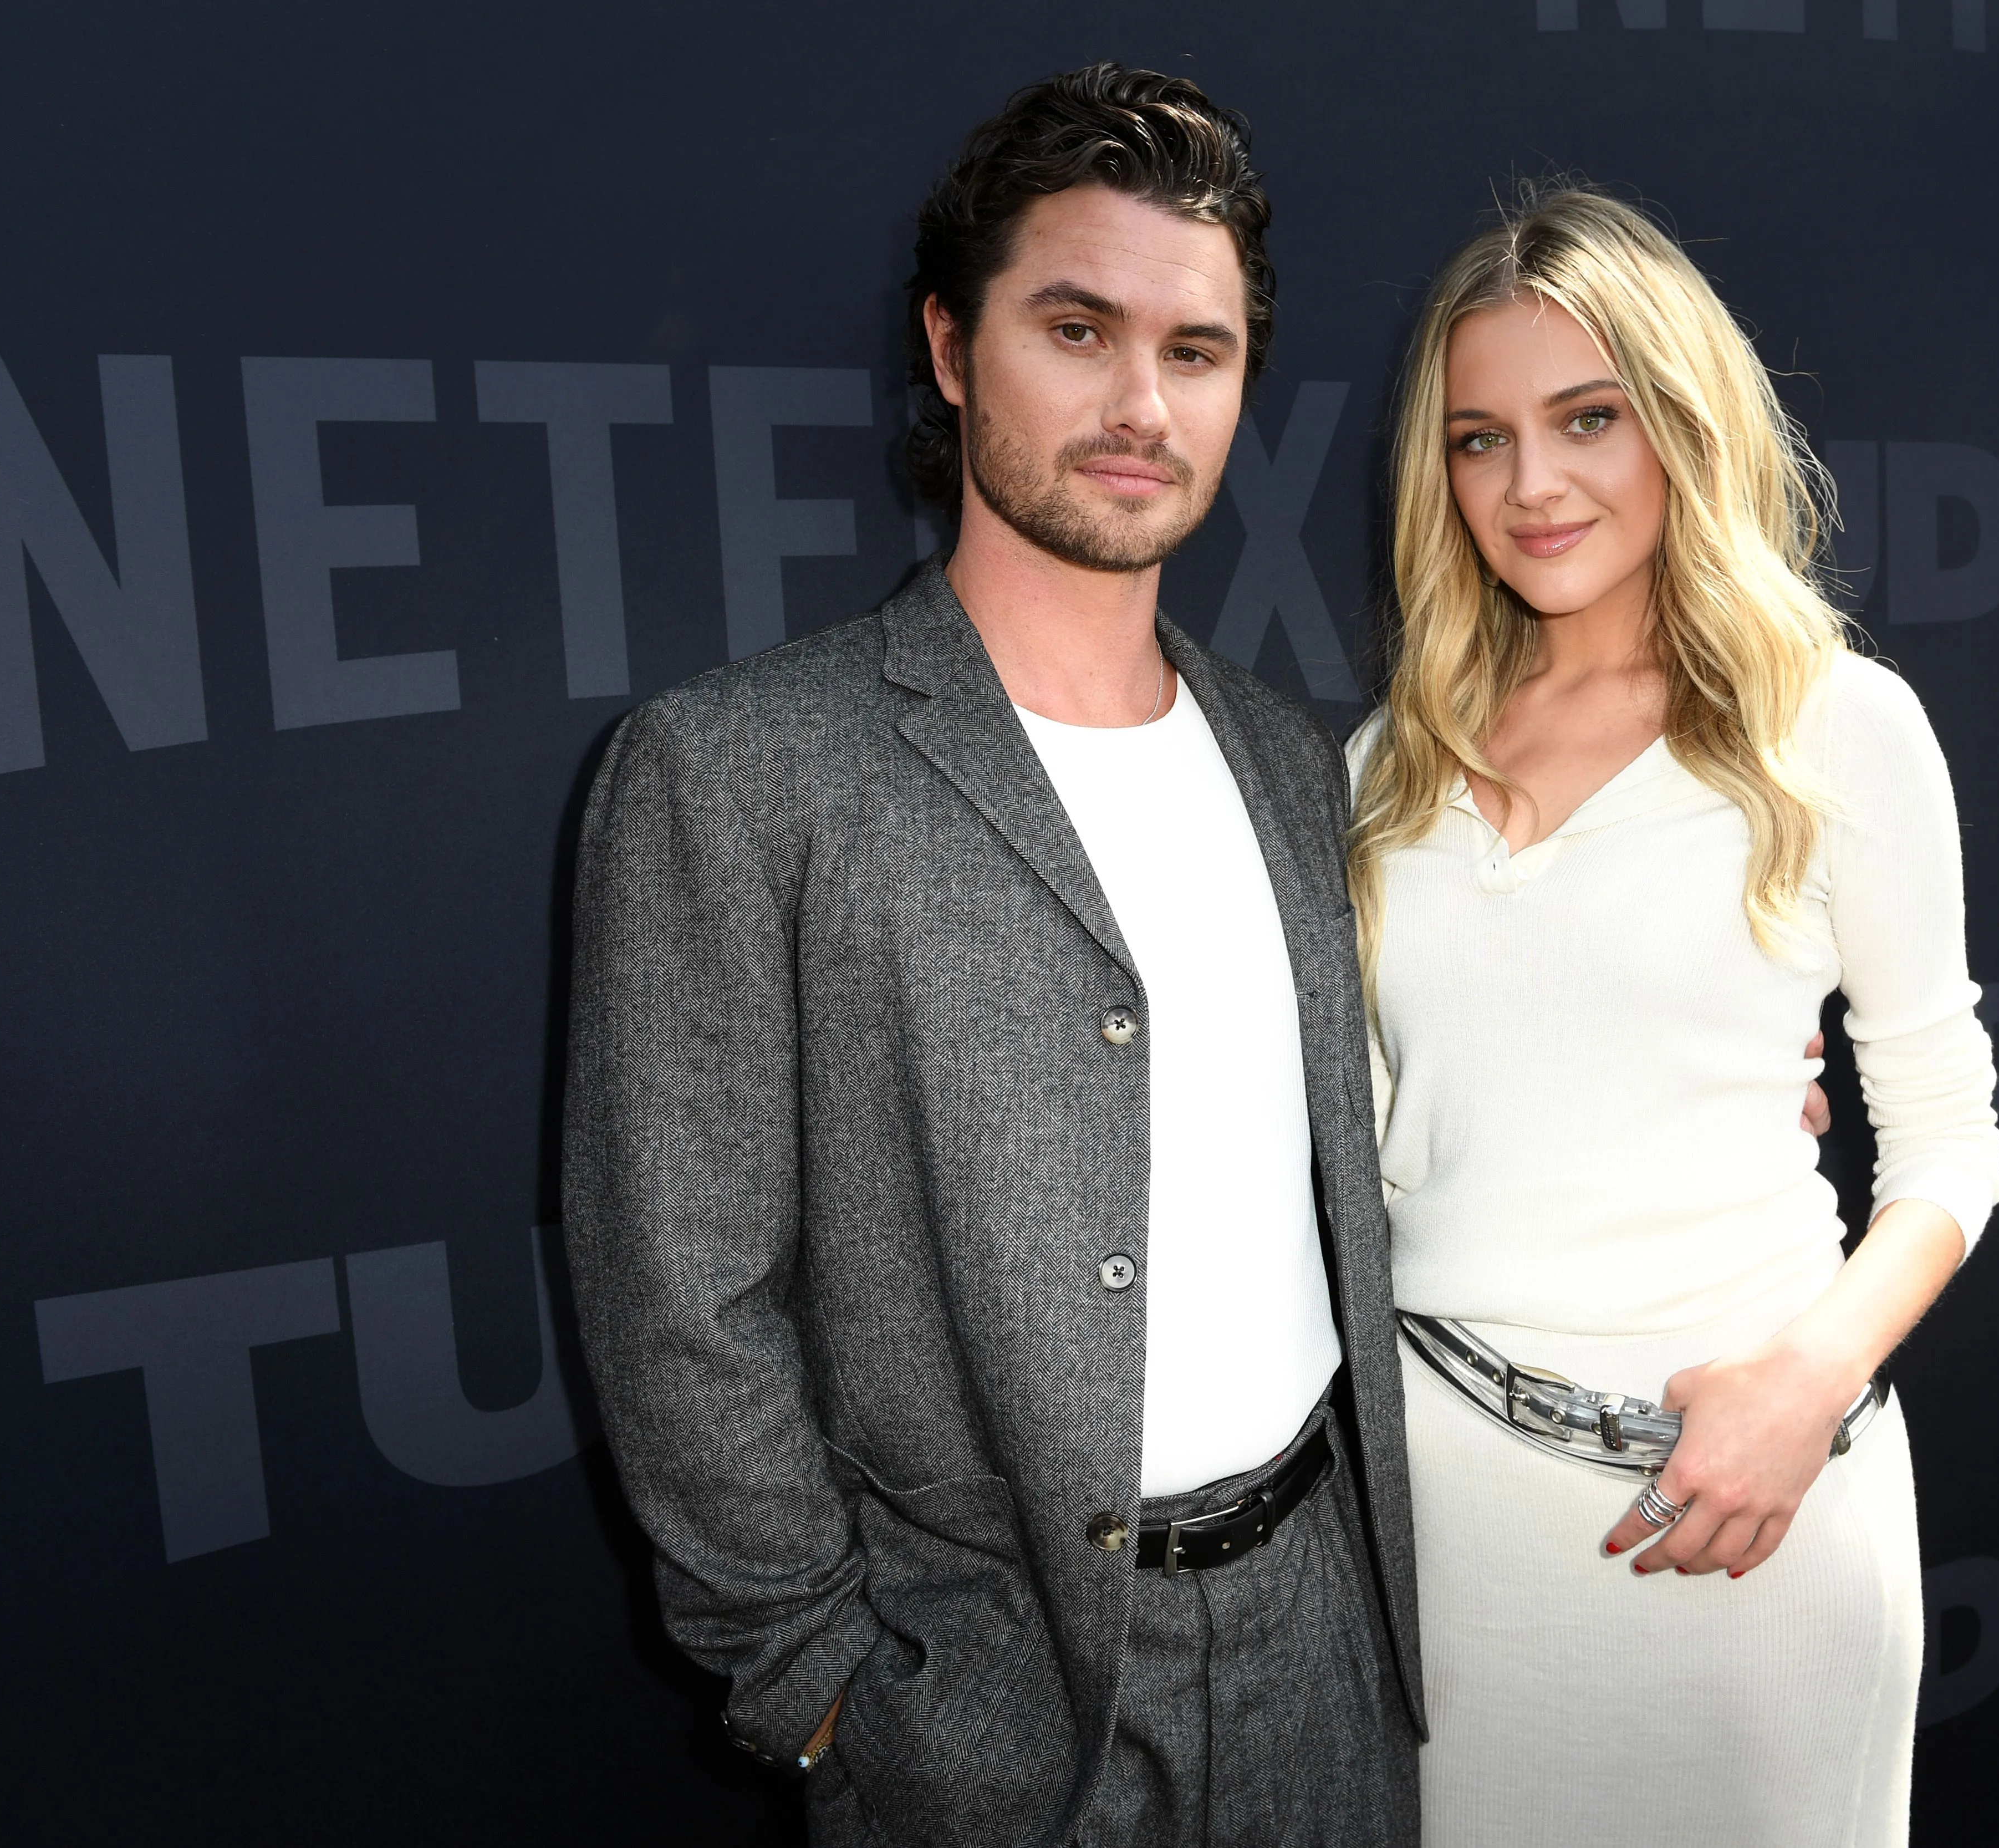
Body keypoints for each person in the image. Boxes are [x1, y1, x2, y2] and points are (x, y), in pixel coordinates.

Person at [562, 65, 1424, 1848]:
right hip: (993, 1699)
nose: (1139, 402)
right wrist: (826, 1692)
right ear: (952, 351)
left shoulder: (1288, 756)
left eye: (1196, 351)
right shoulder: (739, 769)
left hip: (1326, 1637)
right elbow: (680, 1291)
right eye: (1077, 327)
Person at [1347, 187, 1999, 1846]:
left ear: (1685, 423)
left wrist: (1811, 1377)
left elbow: (1948, 1145)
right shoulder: (1387, 766)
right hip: (1450, 1538)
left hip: (1761, 1526)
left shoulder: (1833, 727)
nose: (1532, 484)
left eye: (1588, 419)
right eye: (1480, 438)